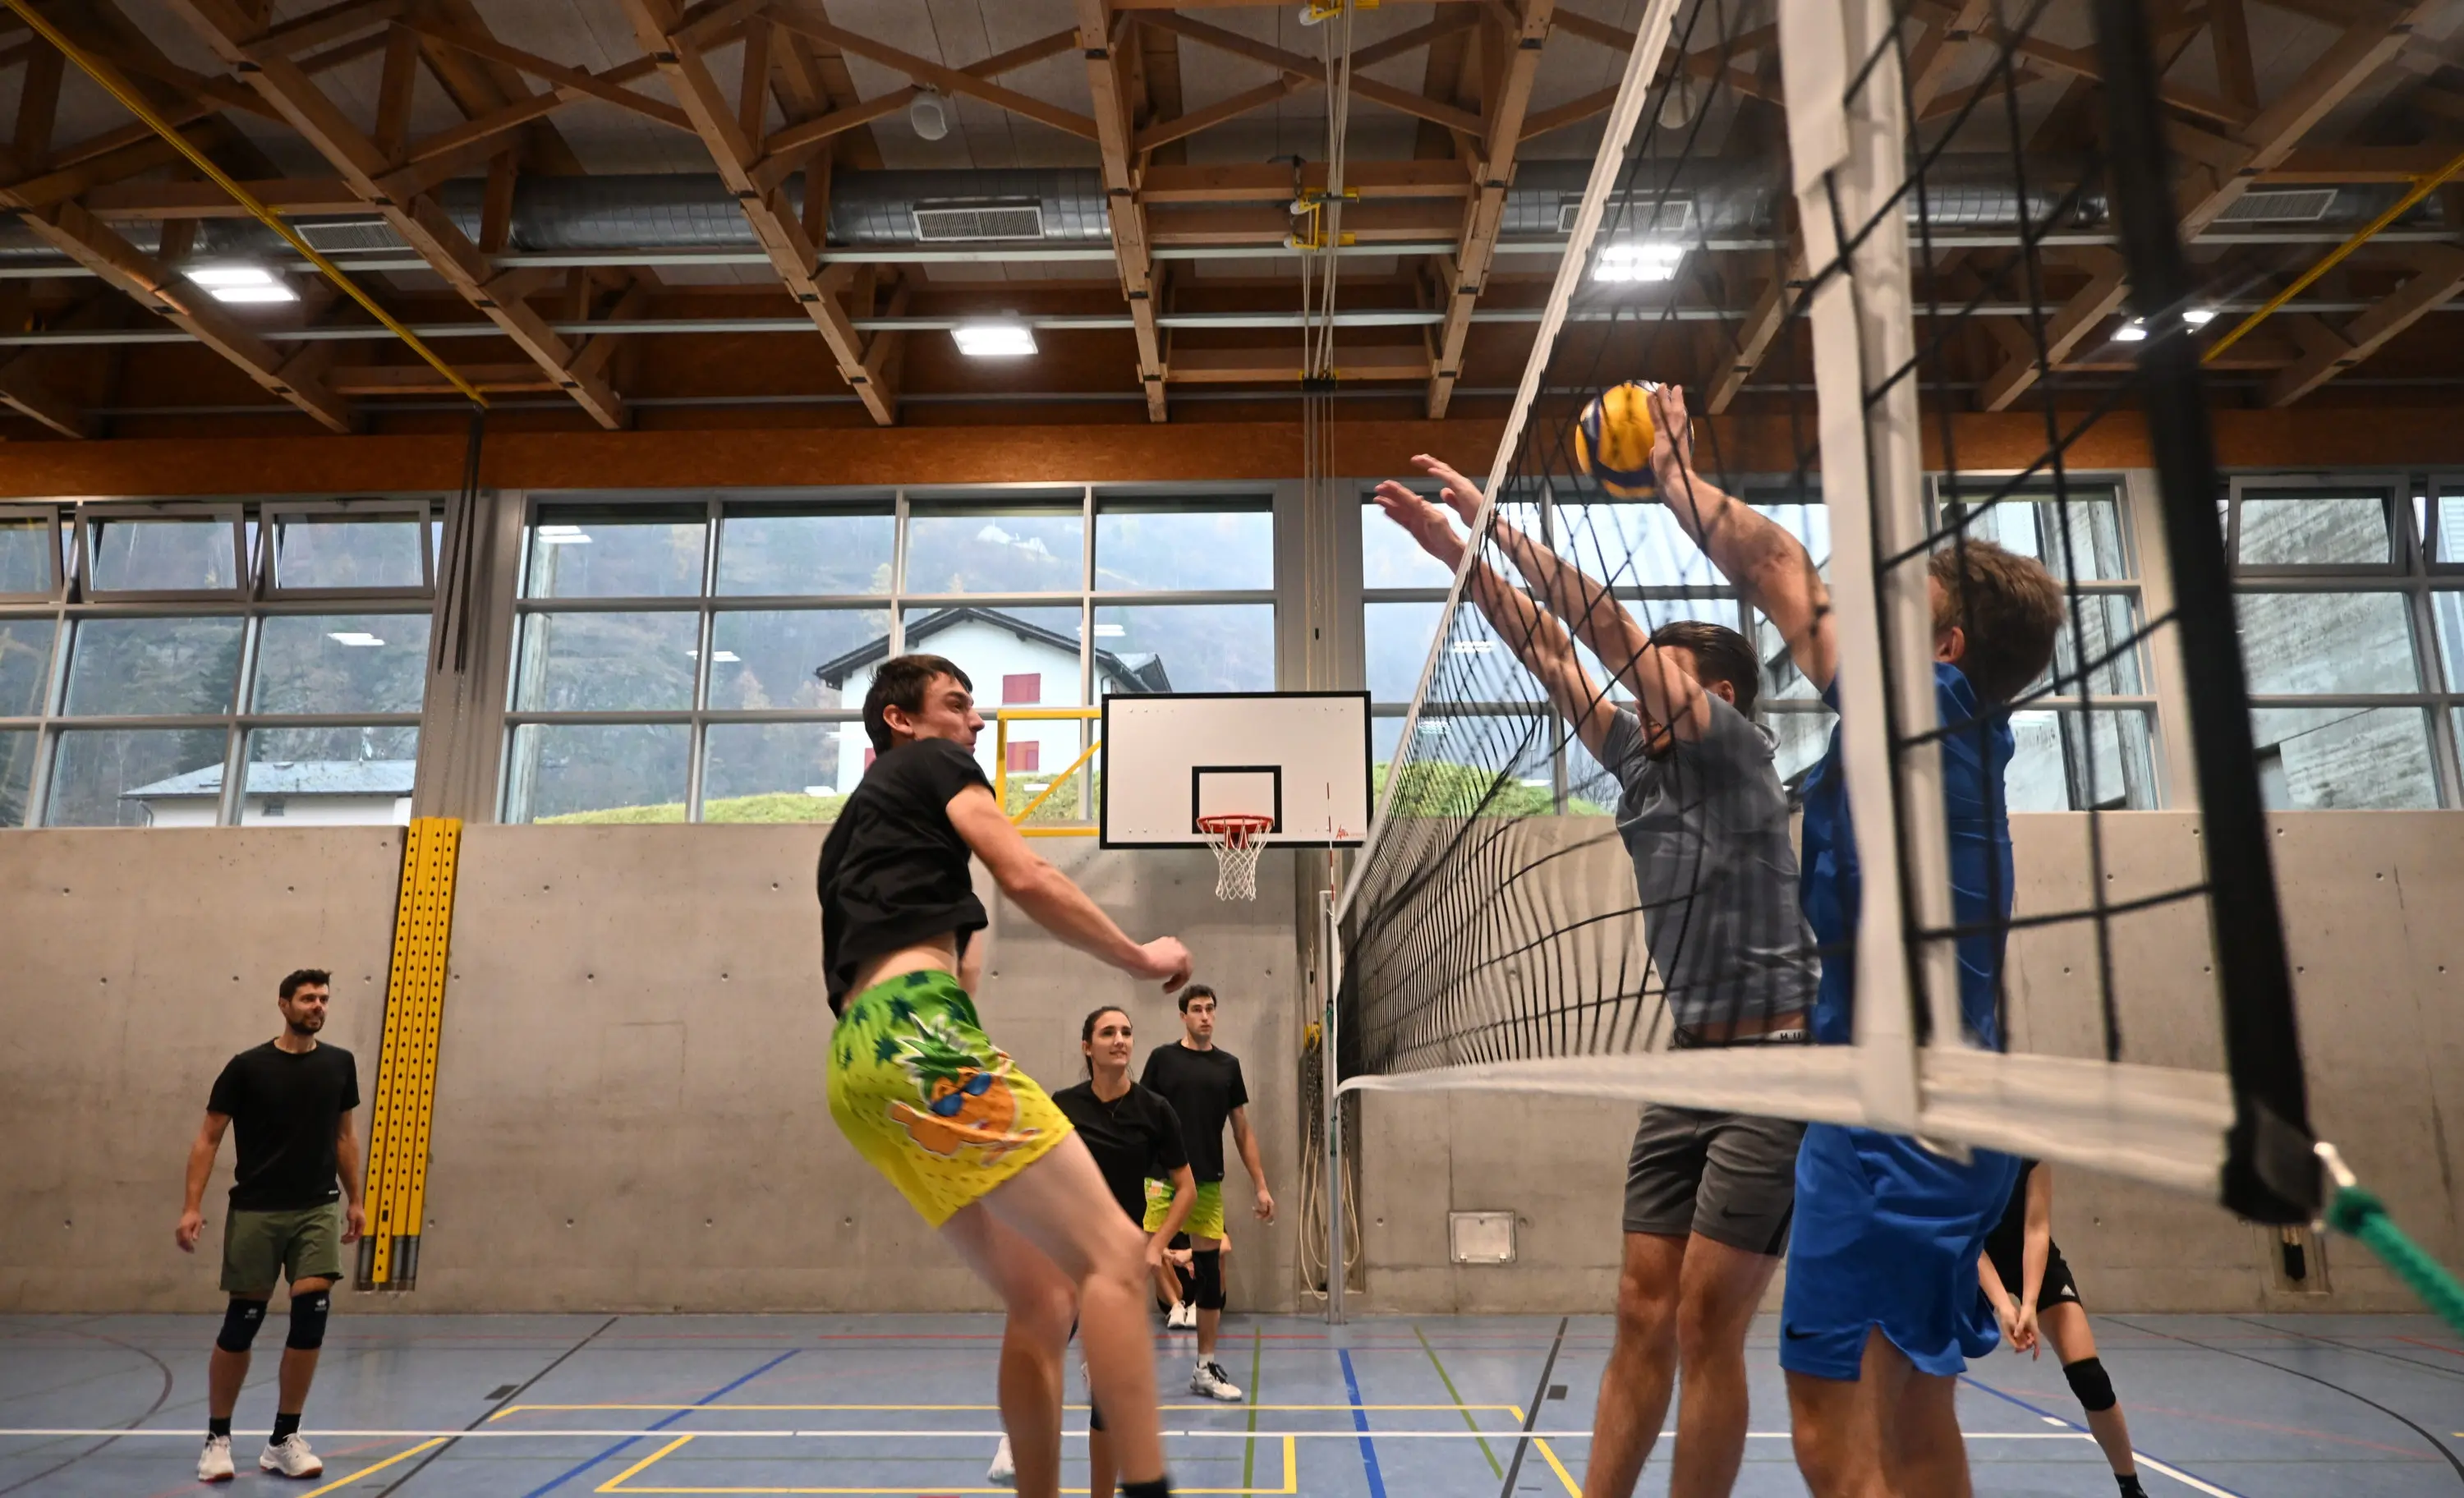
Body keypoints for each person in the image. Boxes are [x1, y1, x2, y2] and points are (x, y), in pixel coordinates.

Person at [1641, 382, 2062, 1498]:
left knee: (1832, 1429)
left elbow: (1779, 573)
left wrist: (1677, 478)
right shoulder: (1946, 748)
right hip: (1947, 1109)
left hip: (1892, 1123)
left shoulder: (1927, 714)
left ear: (1947, 648)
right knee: (1916, 1417)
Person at [1372, 460, 1819, 1498]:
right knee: (1638, 1309)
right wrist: (1456, 556)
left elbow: (1605, 623)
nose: (1629, 692)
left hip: (1779, 1065)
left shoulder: (1738, 755)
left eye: (1656, 679)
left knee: (1711, 1319)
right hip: (1686, 1065)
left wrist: (1497, 523)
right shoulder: (1642, 762)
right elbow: (1545, 648)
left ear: (1714, 695)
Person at [819, 654, 1192, 1498]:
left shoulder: (851, 838)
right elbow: (1030, 875)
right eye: (958, 705)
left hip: (858, 1069)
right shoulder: (935, 763)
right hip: (921, 1034)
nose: (976, 722)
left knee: (1045, 1295)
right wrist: (1139, 956)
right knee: (1117, 1258)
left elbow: (962, 970)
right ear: (899, 722)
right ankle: (1150, 1488)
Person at [990, 1007, 1198, 1493]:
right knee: (1038, 1355)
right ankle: (1014, 1441)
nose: (1120, 1040)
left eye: (1126, 1032)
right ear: (1088, 1047)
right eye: (1108, 1033)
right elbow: (1031, 1177)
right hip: (1060, 1256)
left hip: (1115, 1266)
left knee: (1107, 1401)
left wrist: (1157, 1245)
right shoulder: (1062, 1106)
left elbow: (1185, 1188)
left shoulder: (1155, 1111)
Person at [176, 968, 364, 1483]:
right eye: (307, 999)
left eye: (323, 999)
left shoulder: (339, 1064)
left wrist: (356, 1199)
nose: (317, 1007)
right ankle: (218, 1437)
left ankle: (284, 1438)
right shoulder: (246, 1068)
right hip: (257, 1210)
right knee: (244, 1321)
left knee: (311, 1313)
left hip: (317, 1208)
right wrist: (191, 1207)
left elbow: (344, 1138)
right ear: (284, 1005)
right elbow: (208, 1139)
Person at [1978, 1161, 2148, 1498]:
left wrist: (2029, 1304)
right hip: (1969, 1255)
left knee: (2090, 1379)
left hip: (2026, 1254)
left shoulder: (2032, 1147)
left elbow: (2037, 1227)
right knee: (1924, 1371)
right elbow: (1965, 1237)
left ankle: (2132, 1489)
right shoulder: (1960, 1146)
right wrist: (2003, 1305)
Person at [1138, 984, 1273, 1402]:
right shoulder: (1162, 1059)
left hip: (1207, 1182)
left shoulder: (1228, 1067)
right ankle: (1107, 1364)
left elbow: (1241, 1130)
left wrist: (1261, 1185)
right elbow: (1142, 1116)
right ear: (1183, 1015)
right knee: (1138, 1261)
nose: (1204, 1016)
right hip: (1162, 1178)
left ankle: (1204, 1367)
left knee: (1210, 1272)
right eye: (1196, 1009)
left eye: (1210, 1009)